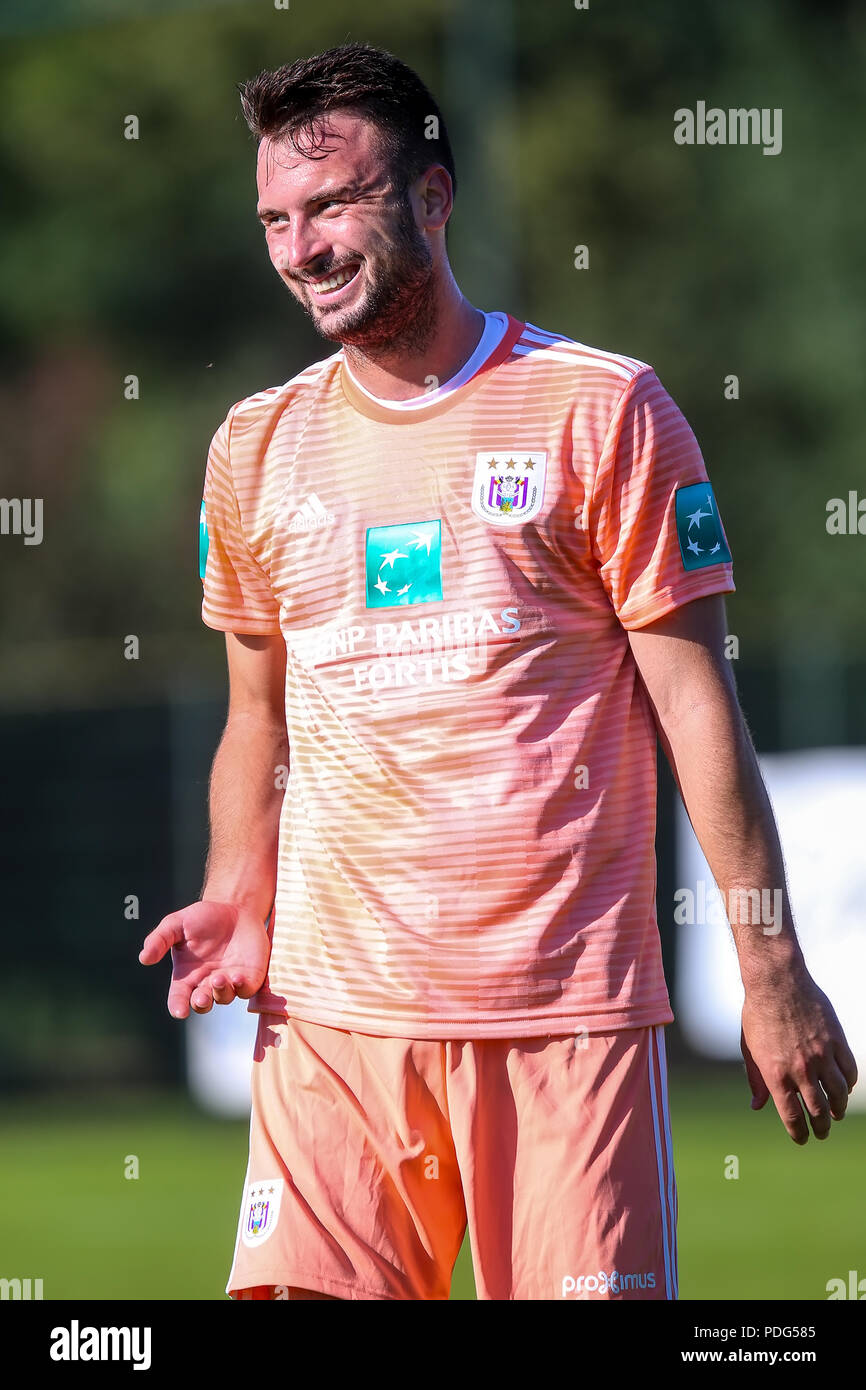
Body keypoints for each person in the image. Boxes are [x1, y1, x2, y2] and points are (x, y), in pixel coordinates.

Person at [139, 42, 857, 1302]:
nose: (300, 247)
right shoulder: (251, 447)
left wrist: (769, 968)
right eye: (274, 218)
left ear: (432, 194)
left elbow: (698, 714)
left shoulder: (605, 411)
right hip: (329, 1023)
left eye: (332, 204)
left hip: (562, 1015)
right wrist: (235, 894)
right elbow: (257, 719)